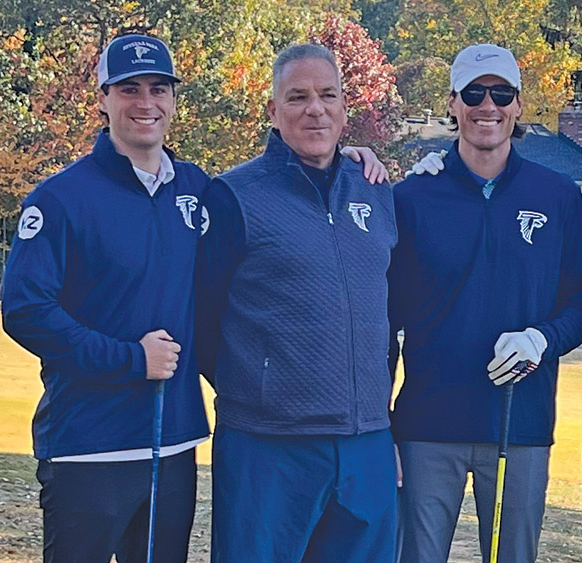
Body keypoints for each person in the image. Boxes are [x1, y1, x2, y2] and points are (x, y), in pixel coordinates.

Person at [2, 34, 210, 562]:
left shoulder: (198, 189)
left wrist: (343, 158)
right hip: (88, 445)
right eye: (129, 89)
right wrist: (129, 359)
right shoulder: (61, 198)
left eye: (159, 88)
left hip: (175, 447)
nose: (146, 103)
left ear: (173, 99)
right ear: (102, 98)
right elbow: (26, 310)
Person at [389, 44, 582, 563]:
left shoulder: (559, 195)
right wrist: (378, 423)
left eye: (501, 93)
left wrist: (542, 340)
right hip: (426, 427)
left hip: (518, 426)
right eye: (475, 93)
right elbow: (382, 321)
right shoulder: (411, 198)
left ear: (520, 104)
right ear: (453, 103)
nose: (489, 105)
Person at [194, 43, 398, 563]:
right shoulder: (234, 196)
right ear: (273, 110)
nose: (316, 109)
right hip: (269, 445)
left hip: (365, 444)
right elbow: (200, 319)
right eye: (299, 96)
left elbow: (389, 310)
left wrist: (377, 413)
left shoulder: (373, 190)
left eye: (328, 95)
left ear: (345, 107)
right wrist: (262, 388)